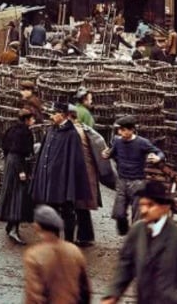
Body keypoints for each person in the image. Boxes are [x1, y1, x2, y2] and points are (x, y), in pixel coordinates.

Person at [101, 181, 177, 304]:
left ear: (165, 208)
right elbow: (125, 265)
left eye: (150, 205)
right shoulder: (137, 231)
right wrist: (112, 294)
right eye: (142, 205)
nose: (144, 210)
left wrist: (175, 299)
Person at [30, 103, 92, 242]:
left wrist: (70, 185)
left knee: (67, 212)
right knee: (52, 212)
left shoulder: (71, 134)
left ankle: (69, 241)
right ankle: (55, 240)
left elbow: (75, 162)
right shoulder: (51, 130)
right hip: (50, 181)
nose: (51, 116)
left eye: (54, 113)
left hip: (63, 182)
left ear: (62, 114)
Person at [102, 116, 164, 236]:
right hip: (121, 180)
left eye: (123, 130)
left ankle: (136, 237)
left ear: (131, 130)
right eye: (120, 130)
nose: (120, 132)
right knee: (119, 212)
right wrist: (106, 154)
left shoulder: (142, 143)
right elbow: (111, 152)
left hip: (137, 182)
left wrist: (158, 158)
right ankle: (125, 232)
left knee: (137, 215)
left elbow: (159, 152)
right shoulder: (118, 141)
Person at [23, 205, 91, 304]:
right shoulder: (74, 251)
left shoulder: (34, 256)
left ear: (37, 227)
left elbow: (33, 296)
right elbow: (85, 291)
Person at [0, 109, 35, 245]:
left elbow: (5, 147)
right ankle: (14, 229)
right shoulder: (24, 132)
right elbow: (18, 151)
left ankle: (10, 226)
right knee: (18, 197)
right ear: (26, 119)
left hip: (10, 163)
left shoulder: (12, 129)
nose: (33, 121)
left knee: (10, 194)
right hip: (17, 164)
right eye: (32, 118)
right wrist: (21, 171)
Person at [69, 107, 100, 247]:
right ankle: (85, 236)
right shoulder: (81, 129)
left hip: (83, 172)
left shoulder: (76, 132)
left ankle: (85, 237)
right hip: (85, 172)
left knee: (81, 205)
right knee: (82, 206)